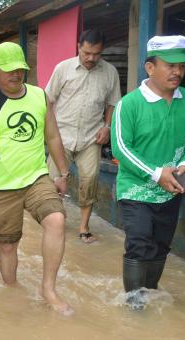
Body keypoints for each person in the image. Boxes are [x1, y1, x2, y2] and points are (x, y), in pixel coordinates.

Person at [0, 42, 73, 315]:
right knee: (7, 244)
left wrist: (63, 173)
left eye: (20, 70)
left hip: (36, 177)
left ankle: (48, 289)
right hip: (0, 185)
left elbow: (52, 136)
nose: (16, 75)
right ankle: (11, 291)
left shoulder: (40, 96)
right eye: (9, 70)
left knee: (57, 220)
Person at [110, 35, 185, 309]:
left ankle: (150, 292)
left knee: (161, 245)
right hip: (136, 189)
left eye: (182, 67)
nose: (177, 72)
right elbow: (121, 149)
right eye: (170, 65)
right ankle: (134, 305)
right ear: (150, 68)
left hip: (171, 188)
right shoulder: (129, 104)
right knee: (139, 244)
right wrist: (156, 174)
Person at [45, 29, 121, 244]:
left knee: (90, 181)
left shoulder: (110, 72)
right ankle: (56, 221)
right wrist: (48, 130)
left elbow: (112, 103)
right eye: (87, 52)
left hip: (91, 137)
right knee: (54, 181)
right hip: (61, 135)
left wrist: (107, 127)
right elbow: (49, 100)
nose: (91, 58)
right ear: (79, 46)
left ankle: (84, 227)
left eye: (96, 54)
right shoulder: (63, 68)